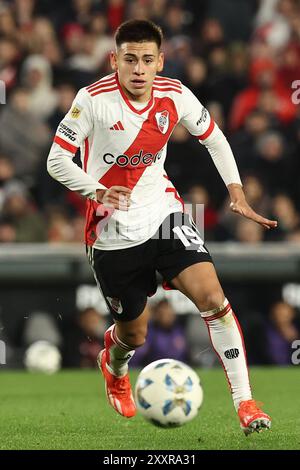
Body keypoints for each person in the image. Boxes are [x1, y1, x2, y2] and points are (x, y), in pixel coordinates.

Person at [47, 19, 278, 435]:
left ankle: (246, 402)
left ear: (160, 62)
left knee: (213, 297)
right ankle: (113, 365)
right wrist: (98, 192)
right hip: (110, 231)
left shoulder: (176, 94)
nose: (138, 69)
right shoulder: (92, 100)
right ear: (114, 60)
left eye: (147, 60)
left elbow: (214, 138)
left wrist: (236, 190)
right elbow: (56, 160)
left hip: (166, 213)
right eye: (130, 59)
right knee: (133, 334)